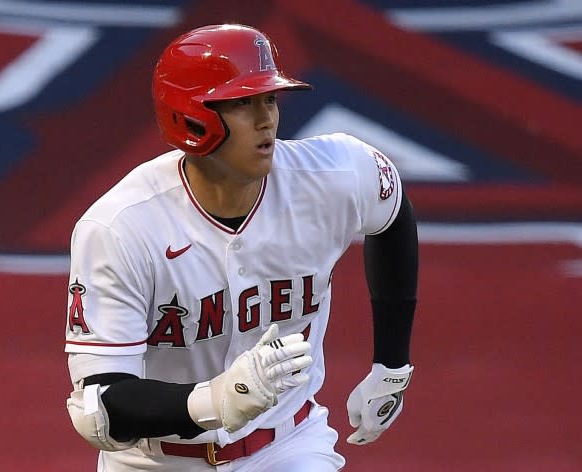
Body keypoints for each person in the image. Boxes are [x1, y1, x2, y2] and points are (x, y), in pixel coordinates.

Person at [64, 24, 418, 471]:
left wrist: (392, 364)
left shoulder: (334, 175)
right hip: (154, 461)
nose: (266, 118)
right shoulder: (121, 228)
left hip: (288, 445)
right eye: (241, 103)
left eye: (269, 98)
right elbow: (100, 407)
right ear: (191, 116)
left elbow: (393, 209)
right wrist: (216, 401)